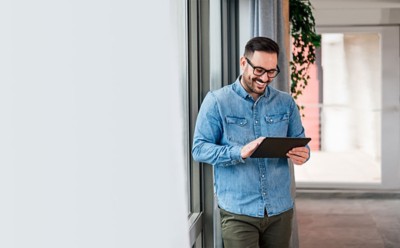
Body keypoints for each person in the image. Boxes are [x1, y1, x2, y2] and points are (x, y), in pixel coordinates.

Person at [191, 36, 310, 248]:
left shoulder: (285, 102)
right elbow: (199, 149)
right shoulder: (217, 101)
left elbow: (301, 142)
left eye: (272, 71)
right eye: (259, 70)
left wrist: (304, 154)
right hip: (238, 213)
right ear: (243, 62)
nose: (265, 78)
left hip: (280, 210)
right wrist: (238, 152)